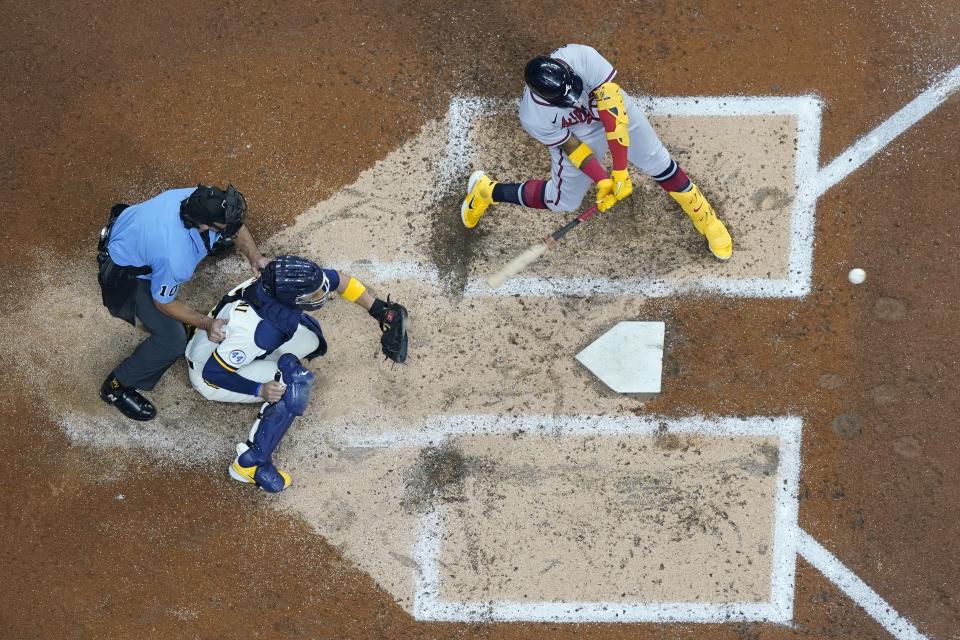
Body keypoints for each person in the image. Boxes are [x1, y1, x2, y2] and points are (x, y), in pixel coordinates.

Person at [460, 44, 733, 261]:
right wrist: (602, 180)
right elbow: (572, 147)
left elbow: (612, 115)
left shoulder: (581, 56)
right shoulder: (533, 116)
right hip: (581, 135)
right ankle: (486, 190)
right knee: (562, 202)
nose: (576, 97)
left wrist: (620, 171)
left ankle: (706, 220)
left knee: (659, 162)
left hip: (613, 115)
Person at [184, 255, 408, 493]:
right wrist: (260, 390)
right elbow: (213, 373)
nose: (320, 295)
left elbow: (338, 281)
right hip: (209, 370)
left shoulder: (283, 279)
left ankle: (262, 364)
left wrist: (379, 311)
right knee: (293, 384)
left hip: (234, 343)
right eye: (311, 295)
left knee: (312, 337)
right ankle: (250, 464)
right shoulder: (256, 330)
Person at [97, 184, 270, 421]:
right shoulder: (175, 257)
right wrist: (207, 323)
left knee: (223, 234)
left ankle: (213, 238)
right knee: (172, 339)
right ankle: (117, 386)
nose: (234, 226)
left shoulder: (196, 198)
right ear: (203, 225)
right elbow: (164, 302)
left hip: (134, 234)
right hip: (127, 277)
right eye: (222, 226)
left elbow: (233, 223)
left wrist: (255, 257)